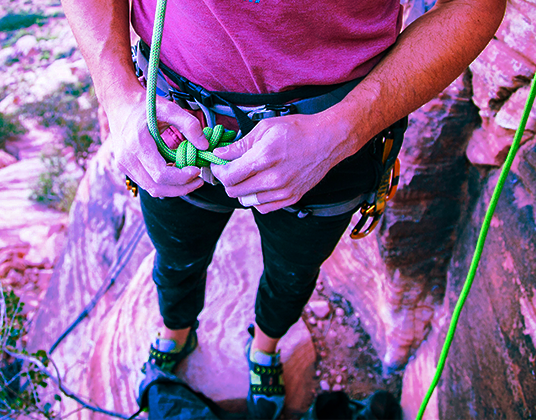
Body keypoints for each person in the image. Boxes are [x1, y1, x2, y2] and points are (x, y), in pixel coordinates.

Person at [61, 0, 506, 418]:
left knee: (292, 271)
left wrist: (344, 129)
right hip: (176, 120)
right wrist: (119, 96)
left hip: (328, 139)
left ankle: (266, 347)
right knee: (177, 256)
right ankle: (177, 329)